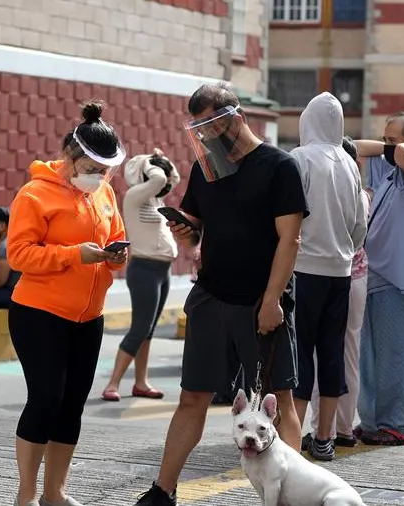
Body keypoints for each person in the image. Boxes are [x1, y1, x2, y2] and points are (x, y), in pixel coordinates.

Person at [134, 83, 307, 506]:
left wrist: (271, 302)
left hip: (260, 301)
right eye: (199, 127)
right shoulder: (205, 168)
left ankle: (295, 495)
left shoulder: (278, 166)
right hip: (212, 296)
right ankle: (163, 491)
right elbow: (197, 228)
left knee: (278, 401)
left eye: (211, 124)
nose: (206, 134)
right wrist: (186, 229)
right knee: (192, 395)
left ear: (235, 115)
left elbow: (290, 241)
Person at [8, 101, 128, 506]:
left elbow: (115, 237)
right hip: (39, 313)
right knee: (45, 399)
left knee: (72, 404)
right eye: (93, 168)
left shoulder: (105, 193)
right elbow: (19, 255)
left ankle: (54, 493)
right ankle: (26, 493)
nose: (100, 177)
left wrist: (115, 257)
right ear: (71, 157)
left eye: (105, 170)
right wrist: (74, 254)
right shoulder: (34, 194)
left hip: (88, 316)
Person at [350, 111, 404, 446]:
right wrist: (391, 147)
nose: (386, 146)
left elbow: (402, 154)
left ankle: (396, 424)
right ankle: (371, 421)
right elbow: (355, 147)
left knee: (396, 357)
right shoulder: (387, 174)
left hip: (401, 282)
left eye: (392, 138)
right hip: (372, 276)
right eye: (384, 138)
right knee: (369, 357)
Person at [289, 93, 367, 461]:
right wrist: (345, 251)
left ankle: (291, 439)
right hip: (341, 272)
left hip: (303, 269)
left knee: (299, 354)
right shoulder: (349, 165)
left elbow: (287, 217)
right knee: (332, 352)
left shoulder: (300, 159)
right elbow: (359, 224)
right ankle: (326, 439)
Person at [305, 135, 370, 452]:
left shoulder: (317, 183)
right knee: (347, 355)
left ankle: (321, 430)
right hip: (354, 276)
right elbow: (359, 234)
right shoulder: (358, 191)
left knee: (318, 357)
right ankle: (342, 429)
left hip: (322, 276)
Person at [101, 149, 180, 402]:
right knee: (140, 328)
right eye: (161, 174)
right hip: (144, 270)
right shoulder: (135, 196)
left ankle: (141, 382)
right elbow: (159, 180)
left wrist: (163, 160)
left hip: (162, 271)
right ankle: (112, 384)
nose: (166, 180)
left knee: (149, 330)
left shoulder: (157, 200)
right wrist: (148, 162)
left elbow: (172, 179)